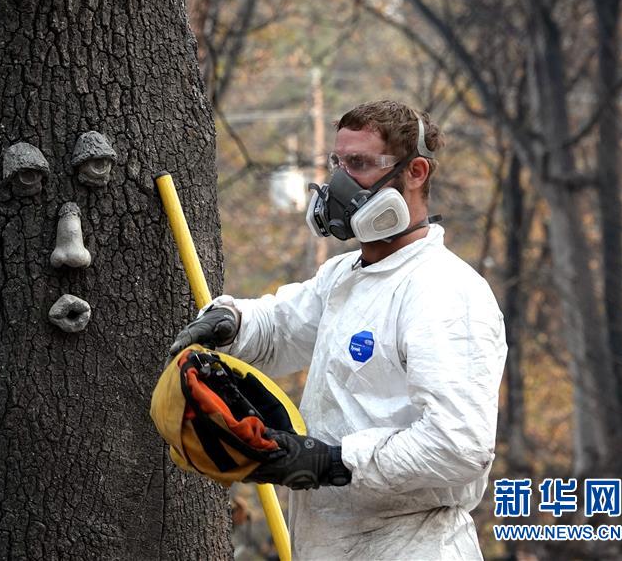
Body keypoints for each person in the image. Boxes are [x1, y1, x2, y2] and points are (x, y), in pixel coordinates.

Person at [169, 100, 508, 560]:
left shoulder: (444, 291)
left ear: (416, 172)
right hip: (334, 545)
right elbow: (282, 328)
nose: (340, 183)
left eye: (360, 164)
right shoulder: (345, 276)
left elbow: (459, 445)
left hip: (412, 546)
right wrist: (230, 323)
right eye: (338, 163)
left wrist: (332, 462)